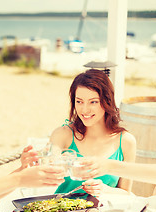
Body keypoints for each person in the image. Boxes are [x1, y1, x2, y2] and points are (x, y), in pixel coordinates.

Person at [49, 69, 136, 197]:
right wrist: (58, 164)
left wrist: (104, 190)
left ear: (106, 101)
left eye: (93, 102)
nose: (85, 110)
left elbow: (125, 192)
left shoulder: (126, 141)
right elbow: (47, 169)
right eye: (79, 101)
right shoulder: (63, 135)